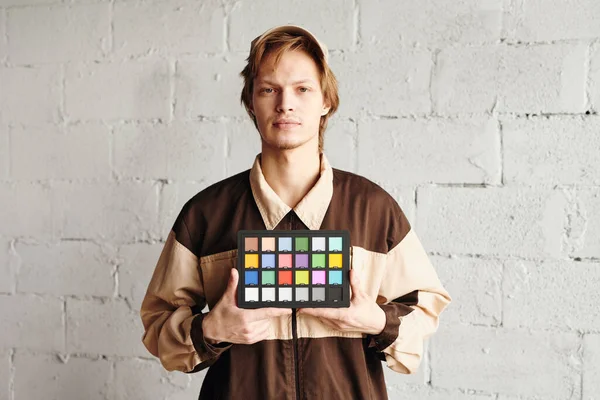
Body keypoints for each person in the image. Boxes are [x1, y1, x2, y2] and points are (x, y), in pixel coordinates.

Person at [140, 25, 451, 399]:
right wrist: (209, 330)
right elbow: (158, 324)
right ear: (251, 103)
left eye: (302, 89)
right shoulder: (206, 214)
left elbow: (426, 309)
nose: (285, 103)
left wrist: (377, 321)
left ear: (326, 102)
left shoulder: (374, 208)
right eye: (269, 89)